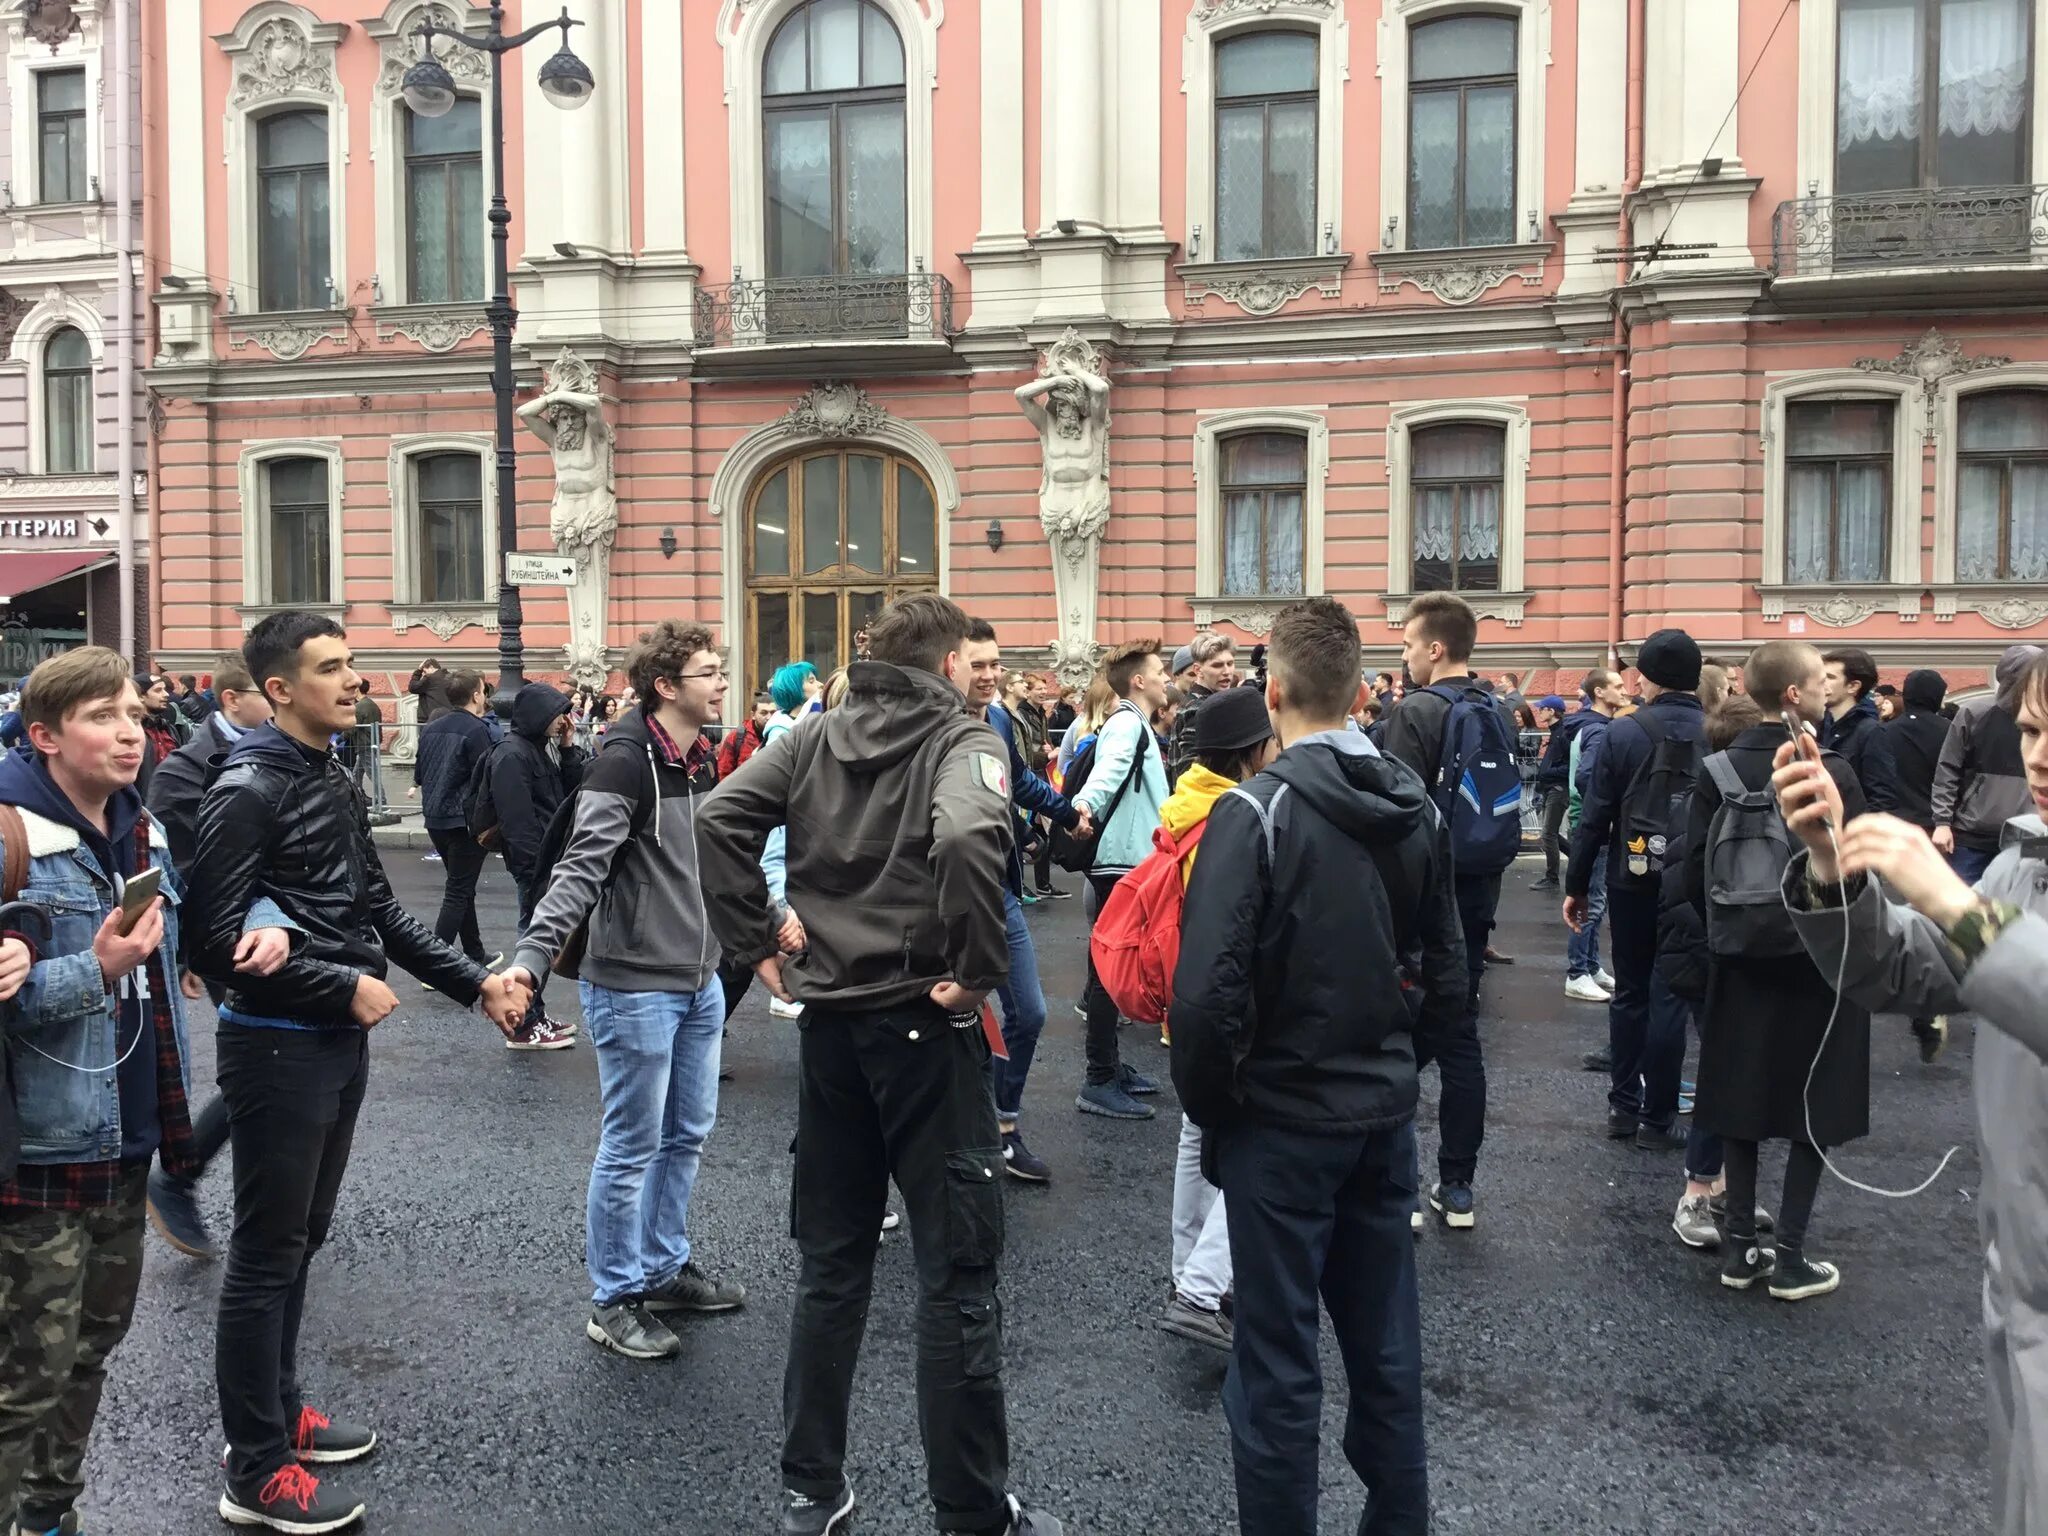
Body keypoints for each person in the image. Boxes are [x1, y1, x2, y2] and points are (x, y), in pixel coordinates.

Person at [697, 593, 1059, 1536]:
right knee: (956, 1275)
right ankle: (973, 1511)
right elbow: (974, 836)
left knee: (832, 1266)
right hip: (922, 1030)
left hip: (831, 1029)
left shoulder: (816, 734)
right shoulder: (965, 738)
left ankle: (811, 1492)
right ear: (946, 667)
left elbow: (723, 818)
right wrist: (978, 972)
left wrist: (755, 940)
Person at [188, 613, 527, 1531]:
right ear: (279, 690)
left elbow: (378, 908)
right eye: (330, 669)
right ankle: (254, 1469)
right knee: (265, 1255)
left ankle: (280, 1413)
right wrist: (338, 986)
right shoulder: (249, 786)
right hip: (273, 1043)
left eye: (351, 665)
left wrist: (478, 985)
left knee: (301, 1239)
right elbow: (210, 940)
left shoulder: (328, 772)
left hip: (331, 1040)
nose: (353, 681)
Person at [1173, 596, 1463, 1536]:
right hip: (1378, 1116)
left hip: (1279, 1119)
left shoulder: (1253, 813)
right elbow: (1447, 981)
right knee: (1386, 1348)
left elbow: (1206, 999)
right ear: (1362, 691)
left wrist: (1223, 1110)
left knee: (1276, 1360)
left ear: (1274, 692)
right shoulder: (1415, 805)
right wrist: (1394, 1062)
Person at [0, 649, 287, 1536]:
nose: (131, 732)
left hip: (129, 1135)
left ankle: (49, 1514)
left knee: (89, 1350)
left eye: (133, 713)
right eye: (102, 718)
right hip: (37, 1151)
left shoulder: (145, 829)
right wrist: (93, 969)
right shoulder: (13, 837)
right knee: (24, 1374)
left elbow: (215, 905)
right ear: (45, 737)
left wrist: (266, 925)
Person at [1774, 647, 2048, 1535]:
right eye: (2034, 732)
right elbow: (1900, 973)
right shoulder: (2027, 868)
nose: (2036, 758)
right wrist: (1831, 865)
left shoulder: (2005, 880)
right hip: (2022, 1294)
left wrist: (1959, 910)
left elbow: (1982, 952)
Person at [504, 621, 747, 1361]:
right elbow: (579, 872)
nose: (722, 683)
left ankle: (664, 1267)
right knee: (632, 1145)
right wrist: (529, 963)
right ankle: (613, 1298)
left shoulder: (700, 761)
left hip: (697, 981)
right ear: (666, 686)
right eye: (709, 672)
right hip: (635, 986)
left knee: (686, 1133)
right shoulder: (625, 765)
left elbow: (714, 865)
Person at [1680, 641, 1868, 1299]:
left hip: (1737, 961)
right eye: (1819, 679)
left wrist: (1725, 938)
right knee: (1812, 1104)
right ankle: (1790, 1256)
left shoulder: (1717, 769)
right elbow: (1852, 868)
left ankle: (1738, 1252)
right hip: (1817, 962)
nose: (1826, 688)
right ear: (1793, 695)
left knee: (1739, 1100)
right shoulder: (1829, 769)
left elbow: (1687, 874)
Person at [141, 653, 278, 1261]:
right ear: (231, 701)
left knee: (281, 1068)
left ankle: (270, 1200)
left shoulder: (273, 750)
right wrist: (193, 952)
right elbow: (185, 873)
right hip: (236, 940)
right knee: (261, 1068)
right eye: (263, 693)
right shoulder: (182, 773)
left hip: (279, 930)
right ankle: (177, 1176)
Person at [1156, 686, 1277, 1353]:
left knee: (1196, 1135)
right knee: (1255, 1139)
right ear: (1254, 751)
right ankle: (1205, 1286)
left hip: (1187, 1004)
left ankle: (1188, 1271)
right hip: (1228, 1010)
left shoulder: (1186, 802)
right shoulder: (1233, 816)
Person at [1379, 591, 1506, 1227]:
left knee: (1396, 1033)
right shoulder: (1498, 708)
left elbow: (1396, 814)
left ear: (1434, 648)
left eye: (1406, 645)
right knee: (1461, 1035)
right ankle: (1457, 1188)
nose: (1403, 658)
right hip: (1480, 892)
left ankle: (1397, 1187)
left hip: (1425, 896)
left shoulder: (1418, 712)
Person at [1566, 629, 1706, 1151]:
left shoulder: (1623, 733)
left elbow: (1595, 816)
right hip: (1692, 881)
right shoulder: (1716, 729)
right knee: (1671, 995)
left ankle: (1622, 1107)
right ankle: (1658, 1117)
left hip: (1632, 875)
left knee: (1630, 992)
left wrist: (1577, 884)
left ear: (1645, 677)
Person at [963, 620, 1087, 1184]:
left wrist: (1066, 813)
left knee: (1029, 1012)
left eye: (995, 664)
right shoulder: (927, 723)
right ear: (949, 663)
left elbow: (1016, 783)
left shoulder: (994, 719)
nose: (989, 675)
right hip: (940, 898)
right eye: (978, 664)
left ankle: (1000, 1127)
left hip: (1000, 890)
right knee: (940, 1023)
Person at [1068, 639, 1172, 1121]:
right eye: (1159, 671)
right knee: (1111, 973)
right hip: (1121, 863)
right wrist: (1083, 807)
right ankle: (1099, 1079)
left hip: (1128, 860)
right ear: (1138, 681)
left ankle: (1110, 1066)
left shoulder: (1133, 722)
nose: (1166, 677)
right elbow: (1107, 772)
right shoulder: (1128, 722)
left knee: (1109, 969)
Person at [488, 681, 586, 1051]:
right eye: (558, 714)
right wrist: (533, 871)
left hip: (548, 859)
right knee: (533, 938)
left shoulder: (536, 748)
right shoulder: (512, 754)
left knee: (537, 937)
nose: (564, 721)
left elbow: (570, 792)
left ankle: (534, 1016)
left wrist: (567, 748)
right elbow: (518, 822)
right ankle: (523, 1025)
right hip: (535, 864)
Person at [413, 670, 500, 972]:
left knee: (461, 887)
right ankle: (434, 965)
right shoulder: (477, 730)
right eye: (483, 691)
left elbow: (421, 774)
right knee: (458, 890)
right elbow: (486, 778)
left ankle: (475, 951)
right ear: (476, 695)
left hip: (435, 818)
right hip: (463, 821)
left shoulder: (431, 728)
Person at [1931, 645, 2039, 884]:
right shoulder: (1974, 712)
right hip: (1973, 837)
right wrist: (1942, 823)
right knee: (1962, 910)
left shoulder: (2042, 717)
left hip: (2030, 837)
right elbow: (1948, 768)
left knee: (2024, 909)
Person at [1567, 670, 1625, 1025]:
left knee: (1595, 897)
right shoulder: (1600, 730)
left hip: (1586, 821)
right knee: (1592, 899)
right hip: (1593, 824)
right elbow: (1586, 776)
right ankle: (1577, 973)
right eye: (1618, 686)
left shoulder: (1589, 726)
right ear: (1599, 692)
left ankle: (1590, 965)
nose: (1625, 689)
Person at [1820, 648, 1898, 814]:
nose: (1821, 682)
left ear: (1853, 686)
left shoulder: (1870, 732)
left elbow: (1882, 798)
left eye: (1830, 677)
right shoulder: (1818, 725)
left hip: (1851, 831)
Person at [1167, 633, 1236, 787]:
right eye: (1217, 665)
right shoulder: (1199, 708)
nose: (1226, 671)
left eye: (1230, 663)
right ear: (1198, 670)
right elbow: (1189, 771)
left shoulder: (1205, 703)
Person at [1530, 694, 1570, 889]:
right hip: (1552, 787)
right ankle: (1583, 862)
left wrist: (1548, 772)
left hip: (1558, 788)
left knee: (1548, 834)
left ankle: (1552, 878)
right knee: (1551, 833)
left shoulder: (1562, 733)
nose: (1539, 712)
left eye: (1542, 709)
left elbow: (1571, 765)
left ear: (1551, 711)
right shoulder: (1556, 732)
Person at [717, 692, 775, 780]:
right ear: (753, 715)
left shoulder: (782, 734)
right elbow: (723, 771)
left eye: (773, 713)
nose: (769, 717)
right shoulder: (737, 736)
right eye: (764, 713)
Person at [406, 657, 450, 724]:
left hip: (431, 719)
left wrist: (418, 671)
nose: (424, 674)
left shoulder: (429, 678)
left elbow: (412, 688)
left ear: (431, 667)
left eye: (424, 671)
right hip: (448, 717)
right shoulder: (449, 677)